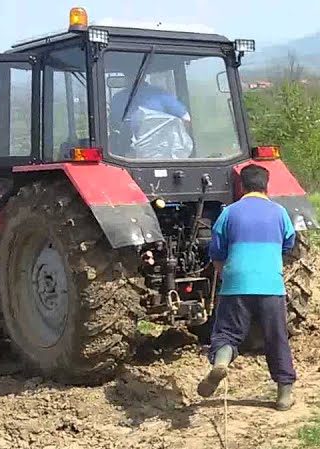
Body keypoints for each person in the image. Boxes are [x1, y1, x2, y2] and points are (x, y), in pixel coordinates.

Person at [197, 164, 298, 410]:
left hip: (236, 285)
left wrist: (225, 275)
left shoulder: (229, 213)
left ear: (241, 186)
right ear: (267, 185)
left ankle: (221, 362)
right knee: (276, 339)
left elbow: (217, 251)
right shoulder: (280, 212)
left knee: (227, 334)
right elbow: (289, 243)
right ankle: (284, 394)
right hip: (270, 286)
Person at [108, 80, 193, 159]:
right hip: (166, 153)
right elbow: (186, 119)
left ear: (126, 78)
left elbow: (114, 125)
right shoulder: (161, 94)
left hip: (130, 155)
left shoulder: (118, 98)